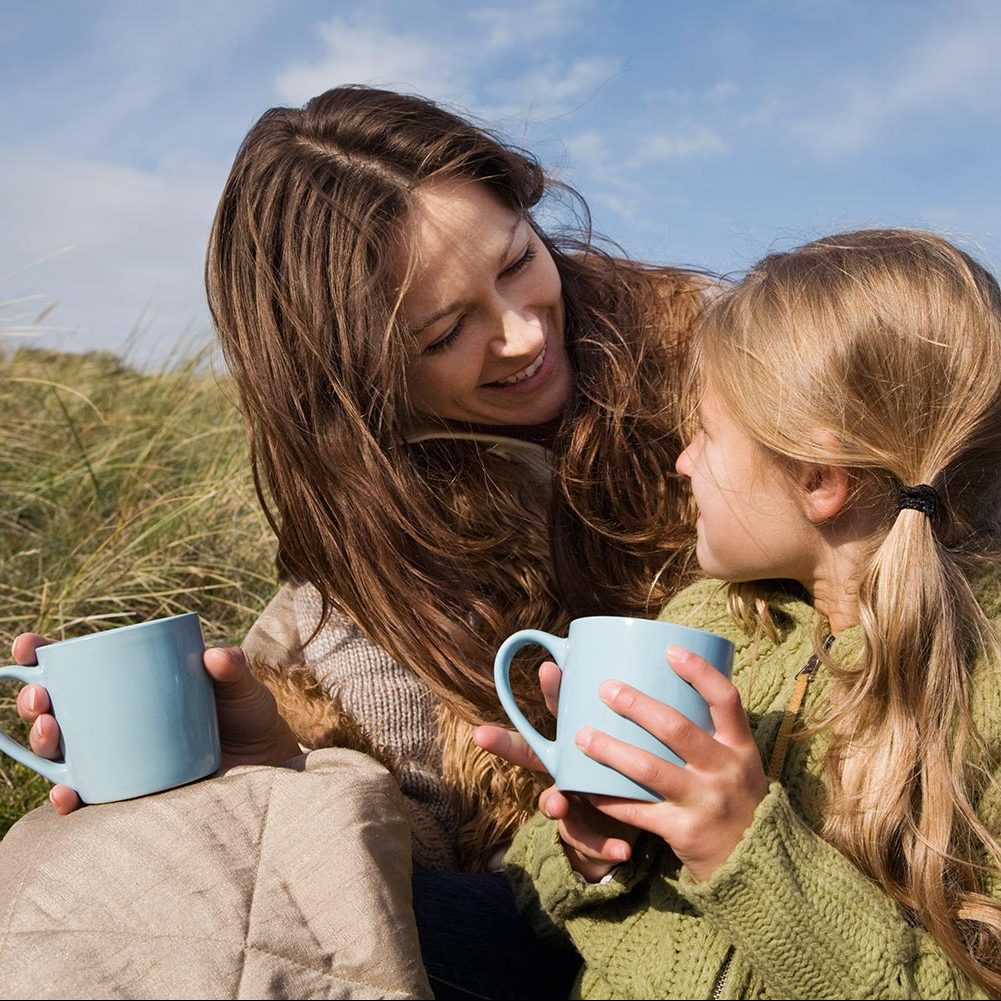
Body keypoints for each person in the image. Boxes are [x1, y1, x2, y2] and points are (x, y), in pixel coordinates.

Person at [10, 85, 706, 995]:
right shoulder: (364, 576)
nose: (525, 331)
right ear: (354, 378)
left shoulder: (728, 372)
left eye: (518, 259)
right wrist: (276, 773)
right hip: (578, 915)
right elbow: (409, 871)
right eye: (446, 332)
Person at [492, 229, 1001, 998]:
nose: (682, 461)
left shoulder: (978, 697)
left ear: (815, 476)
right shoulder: (713, 620)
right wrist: (591, 847)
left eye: (704, 431)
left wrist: (743, 851)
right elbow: (530, 903)